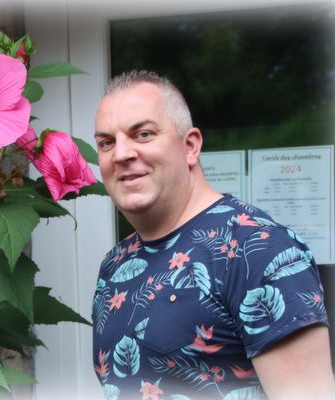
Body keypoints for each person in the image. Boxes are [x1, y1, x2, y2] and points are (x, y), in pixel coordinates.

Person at [91, 70, 335, 400]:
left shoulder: (260, 249)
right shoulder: (116, 265)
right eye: (107, 142)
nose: (121, 154)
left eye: (143, 134)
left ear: (190, 146)